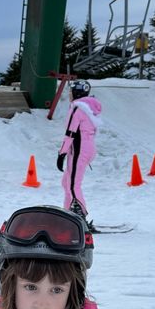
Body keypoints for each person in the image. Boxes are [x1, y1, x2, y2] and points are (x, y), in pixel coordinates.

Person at [56, 80, 102, 227]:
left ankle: (81, 218)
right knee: (66, 182)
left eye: (70, 92)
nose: (69, 95)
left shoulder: (77, 109)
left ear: (76, 93)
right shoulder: (89, 108)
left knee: (73, 185)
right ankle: (67, 214)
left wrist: (61, 153)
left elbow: (70, 133)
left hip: (79, 149)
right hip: (87, 148)